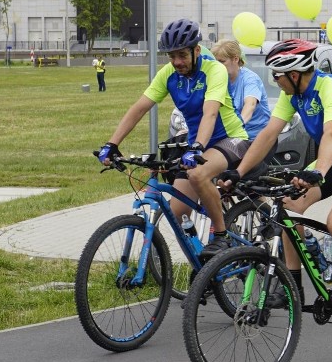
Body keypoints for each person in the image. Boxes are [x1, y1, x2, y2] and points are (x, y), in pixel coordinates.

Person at [222, 39, 332, 334]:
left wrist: (318, 173)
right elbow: (267, 134)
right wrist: (238, 172)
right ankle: (294, 286)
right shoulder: (294, 94)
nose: (275, 81)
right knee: (286, 207)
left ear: (295, 73)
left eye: (277, 75)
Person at [97, 19, 249, 261]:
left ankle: (222, 235)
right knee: (178, 213)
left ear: (196, 50)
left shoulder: (214, 70)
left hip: (230, 139)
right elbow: (139, 107)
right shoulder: (168, 74)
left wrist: (196, 147)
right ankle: (204, 268)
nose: (177, 61)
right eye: (172, 56)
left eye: (182, 55)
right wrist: (111, 144)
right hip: (199, 143)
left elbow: (210, 113)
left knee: (198, 174)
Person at [210, 40, 271, 141]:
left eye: (222, 61)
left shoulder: (250, 79)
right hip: (230, 136)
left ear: (236, 59)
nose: (218, 66)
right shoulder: (218, 80)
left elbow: (250, 105)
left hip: (255, 138)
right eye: (215, 62)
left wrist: (237, 126)